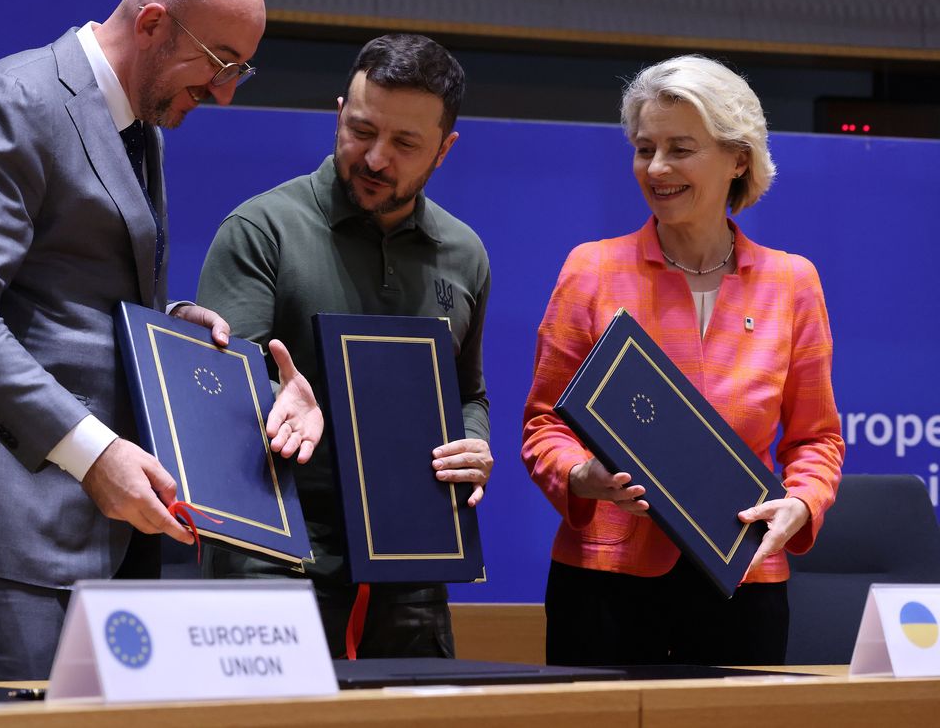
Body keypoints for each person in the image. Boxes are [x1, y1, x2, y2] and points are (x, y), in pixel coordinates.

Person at [0, 0, 322, 683]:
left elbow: (65, 296)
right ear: (151, 24)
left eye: (241, 69)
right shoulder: (12, 101)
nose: (226, 92)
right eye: (219, 63)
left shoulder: (139, 125)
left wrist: (166, 324)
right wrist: (94, 451)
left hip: (96, 536)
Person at [521, 54, 845, 666]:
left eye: (681, 148)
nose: (657, 168)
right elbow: (544, 425)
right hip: (604, 583)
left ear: (738, 158)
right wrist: (580, 475)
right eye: (645, 149)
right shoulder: (589, 270)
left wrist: (801, 503)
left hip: (743, 580)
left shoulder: (793, 283)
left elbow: (817, 440)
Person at [196, 33, 494, 659]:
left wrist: (475, 443)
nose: (376, 158)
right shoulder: (261, 229)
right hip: (274, 559)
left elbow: (468, 393)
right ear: (339, 113)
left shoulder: (465, 255)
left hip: (411, 560)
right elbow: (216, 389)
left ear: (445, 150)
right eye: (361, 130)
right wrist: (279, 395)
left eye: (405, 144)